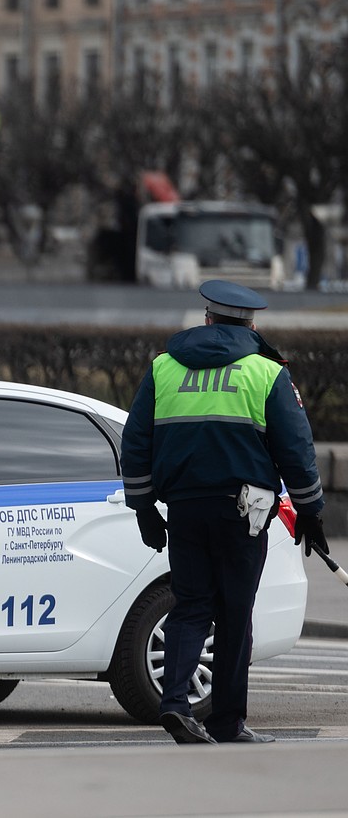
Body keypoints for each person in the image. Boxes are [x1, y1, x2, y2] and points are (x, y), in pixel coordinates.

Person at [121, 279, 326, 745]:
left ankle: (175, 703)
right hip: (244, 511)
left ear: (208, 319)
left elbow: (135, 444)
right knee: (235, 612)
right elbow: (295, 448)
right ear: (252, 325)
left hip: (185, 508)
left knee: (191, 606)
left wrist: (143, 508)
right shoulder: (265, 373)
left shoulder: (164, 368)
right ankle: (227, 721)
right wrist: (312, 510)